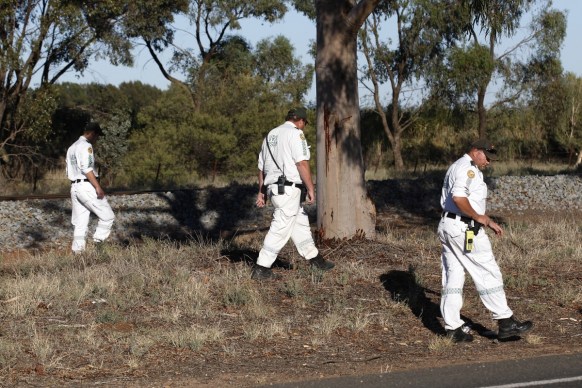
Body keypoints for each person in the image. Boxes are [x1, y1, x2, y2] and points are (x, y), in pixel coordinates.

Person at [438, 139, 533, 342]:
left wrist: (487, 220)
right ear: (475, 151)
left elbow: (464, 200)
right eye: (487, 157)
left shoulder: (461, 166)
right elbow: (458, 198)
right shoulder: (467, 169)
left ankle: (453, 328)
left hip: (450, 225)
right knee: (487, 271)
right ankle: (506, 321)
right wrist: (477, 217)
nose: (489, 162)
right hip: (464, 228)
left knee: (453, 276)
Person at [253, 107, 334, 280]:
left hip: (275, 189)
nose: (304, 126)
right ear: (301, 121)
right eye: (305, 123)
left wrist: (262, 192)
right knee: (280, 227)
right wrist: (311, 188)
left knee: (300, 224)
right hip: (288, 189)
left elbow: (261, 168)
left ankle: (315, 259)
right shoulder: (296, 134)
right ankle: (262, 267)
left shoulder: (270, 135)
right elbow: (301, 164)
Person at [66, 122, 115, 253]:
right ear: (92, 133)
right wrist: (97, 187)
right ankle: (99, 247)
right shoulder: (86, 146)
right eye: (97, 136)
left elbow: (69, 170)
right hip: (86, 186)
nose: (97, 139)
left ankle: (78, 253)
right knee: (108, 216)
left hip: (74, 187)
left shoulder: (72, 147)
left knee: (80, 223)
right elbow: (87, 168)